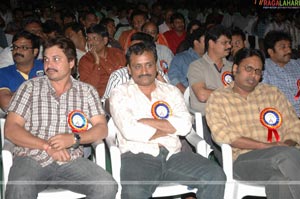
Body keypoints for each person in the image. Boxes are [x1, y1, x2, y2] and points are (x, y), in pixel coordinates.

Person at [4, 36, 117, 199]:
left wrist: (74, 139)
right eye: (46, 60)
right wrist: (47, 146)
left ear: (71, 63)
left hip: (70, 159)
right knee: (20, 187)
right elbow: (11, 129)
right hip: (31, 156)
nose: (49, 65)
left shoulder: (86, 91)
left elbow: (101, 128)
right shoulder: (30, 88)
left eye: (56, 59)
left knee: (106, 187)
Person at [109, 41, 226, 199]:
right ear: (129, 69)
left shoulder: (171, 91)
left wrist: (145, 121)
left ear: (156, 66)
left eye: (149, 65)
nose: (144, 71)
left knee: (215, 176)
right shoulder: (120, 93)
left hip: (173, 155)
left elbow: (185, 125)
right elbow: (129, 130)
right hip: (138, 156)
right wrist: (169, 126)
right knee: (134, 192)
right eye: (138, 66)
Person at [206, 48, 300, 199]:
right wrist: (270, 147)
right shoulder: (219, 98)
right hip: (244, 160)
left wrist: (286, 144)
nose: (254, 75)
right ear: (235, 68)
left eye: (258, 71)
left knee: (280, 182)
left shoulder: (272, 93)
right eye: (248, 69)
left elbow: (295, 126)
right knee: (286, 157)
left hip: (284, 153)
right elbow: (223, 135)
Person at [187, 25, 232, 161]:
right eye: (225, 42)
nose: (229, 46)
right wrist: (231, 93)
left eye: (229, 42)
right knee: (227, 147)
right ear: (211, 43)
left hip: (232, 114)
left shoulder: (232, 66)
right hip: (207, 117)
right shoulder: (197, 66)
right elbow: (202, 95)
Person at [102, 32, 169, 115]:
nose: (134, 51)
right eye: (131, 48)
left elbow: (172, 101)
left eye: (139, 48)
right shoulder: (119, 76)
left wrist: (157, 75)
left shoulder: (160, 75)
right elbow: (105, 104)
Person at [0, 30, 43, 114]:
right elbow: (6, 104)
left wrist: (16, 94)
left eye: (24, 47)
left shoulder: (45, 66)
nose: (18, 51)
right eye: (15, 47)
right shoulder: (3, 73)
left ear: (35, 52)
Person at [79, 24, 126, 97]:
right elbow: (87, 88)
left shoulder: (117, 53)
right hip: (101, 101)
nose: (90, 42)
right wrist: (97, 62)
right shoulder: (85, 60)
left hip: (124, 95)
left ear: (105, 40)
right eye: (88, 39)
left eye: (94, 38)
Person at [263, 30, 300, 117]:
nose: (289, 50)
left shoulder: (297, 64)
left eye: (289, 46)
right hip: (282, 117)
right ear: (271, 52)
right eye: (283, 47)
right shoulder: (263, 68)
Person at [168, 27, 206, 93]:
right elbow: (173, 79)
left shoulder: (213, 59)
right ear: (196, 43)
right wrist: (188, 96)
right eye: (206, 42)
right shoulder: (180, 58)